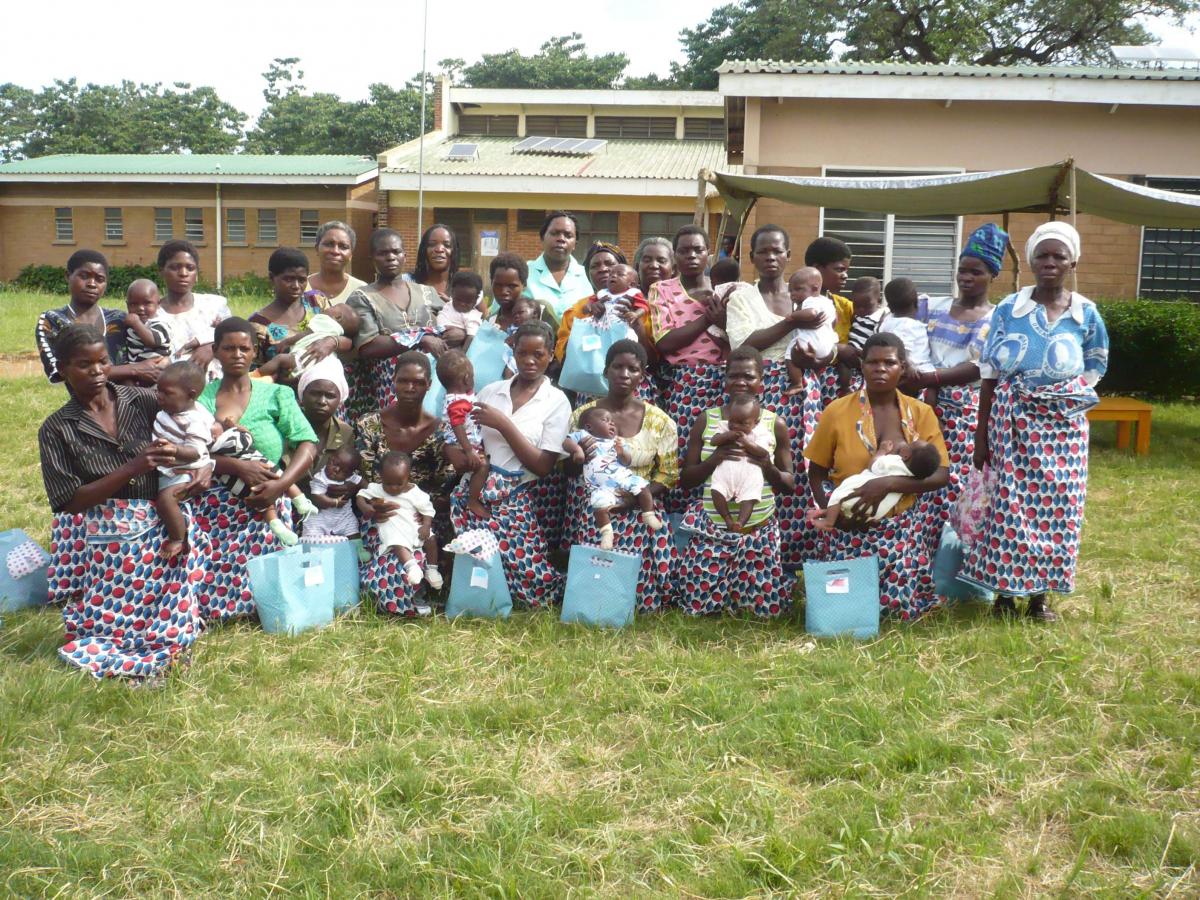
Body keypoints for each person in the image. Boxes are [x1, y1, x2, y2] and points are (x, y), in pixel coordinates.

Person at [39, 324, 211, 683]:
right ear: (63, 369)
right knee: (111, 628)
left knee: (169, 621)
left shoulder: (142, 399)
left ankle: (168, 641)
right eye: (85, 364)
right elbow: (68, 500)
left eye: (103, 361)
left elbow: (194, 424)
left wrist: (205, 465)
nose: (98, 371)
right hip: (109, 538)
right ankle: (131, 652)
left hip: (162, 524)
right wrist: (130, 468)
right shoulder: (58, 428)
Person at [959, 222, 1109, 622]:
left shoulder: (1086, 313)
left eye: (1058, 256)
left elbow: (1095, 366)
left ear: (1072, 261)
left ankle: (1040, 599)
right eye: (1042, 255)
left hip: (1064, 429)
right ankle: (1007, 598)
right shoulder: (1011, 308)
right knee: (1010, 509)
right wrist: (981, 432)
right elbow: (989, 371)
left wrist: (1059, 397)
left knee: (1061, 509)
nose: (1050, 262)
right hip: (1012, 423)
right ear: (1031, 261)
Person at [804, 333, 951, 620]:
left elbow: (941, 474)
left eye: (889, 362)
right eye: (873, 362)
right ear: (861, 365)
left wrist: (886, 483)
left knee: (898, 613)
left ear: (903, 367)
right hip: (847, 527)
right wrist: (833, 514)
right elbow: (815, 472)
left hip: (900, 529)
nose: (880, 369)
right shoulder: (837, 411)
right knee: (845, 614)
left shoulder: (920, 413)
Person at [724, 226, 836, 566]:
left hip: (805, 390)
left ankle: (801, 556)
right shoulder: (743, 297)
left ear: (788, 255)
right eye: (763, 252)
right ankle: (764, 553)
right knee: (765, 462)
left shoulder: (809, 295)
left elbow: (829, 339)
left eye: (777, 251)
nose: (770, 257)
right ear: (752, 257)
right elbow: (742, 345)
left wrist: (819, 360)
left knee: (804, 466)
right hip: (763, 390)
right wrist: (791, 321)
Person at [194, 318, 318, 623]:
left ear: (254, 353)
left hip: (270, 495)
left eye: (244, 348)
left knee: (270, 576)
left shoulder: (276, 394)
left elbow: (307, 444)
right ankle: (221, 612)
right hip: (216, 500)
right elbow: (191, 452)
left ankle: (266, 610)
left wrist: (281, 485)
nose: (237, 354)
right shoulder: (200, 398)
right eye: (228, 348)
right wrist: (236, 466)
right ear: (216, 352)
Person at [448, 322, 570, 609]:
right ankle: (479, 598)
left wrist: (504, 425)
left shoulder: (556, 401)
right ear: (512, 353)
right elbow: (459, 432)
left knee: (531, 580)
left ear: (551, 355)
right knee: (480, 560)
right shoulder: (491, 391)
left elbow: (542, 466)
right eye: (522, 352)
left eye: (538, 354)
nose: (529, 360)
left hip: (514, 496)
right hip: (476, 488)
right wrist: (460, 454)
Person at [901, 223, 1006, 536]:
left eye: (976, 272)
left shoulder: (998, 318)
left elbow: (980, 367)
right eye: (962, 270)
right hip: (918, 405)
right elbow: (902, 337)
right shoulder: (931, 307)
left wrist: (929, 377)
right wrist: (914, 373)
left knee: (956, 480)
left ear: (992, 275)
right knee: (916, 475)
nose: (966, 278)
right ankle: (915, 560)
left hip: (964, 413)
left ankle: (950, 562)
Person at [676, 347, 795, 618]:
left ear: (761, 383)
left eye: (749, 376)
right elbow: (685, 481)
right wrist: (714, 460)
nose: (741, 381)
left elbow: (789, 486)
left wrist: (767, 465)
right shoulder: (708, 420)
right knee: (697, 608)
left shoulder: (775, 424)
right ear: (725, 381)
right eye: (734, 375)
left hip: (758, 529)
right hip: (712, 529)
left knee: (764, 612)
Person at [562, 340, 679, 611]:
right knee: (594, 589)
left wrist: (633, 500)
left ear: (642, 375)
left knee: (640, 599)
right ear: (606, 371)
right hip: (598, 505)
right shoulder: (583, 415)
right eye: (617, 367)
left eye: (633, 369)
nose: (624, 374)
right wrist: (579, 457)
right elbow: (567, 471)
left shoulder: (660, 421)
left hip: (640, 503)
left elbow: (669, 475)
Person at [356, 351, 456, 614]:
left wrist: (421, 514)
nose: (410, 388)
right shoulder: (369, 424)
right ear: (393, 381)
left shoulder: (439, 430)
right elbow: (366, 477)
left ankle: (426, 587)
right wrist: (373, 508)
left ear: (429, 384)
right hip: (381, 511)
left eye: (419, 382)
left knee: (429, 545)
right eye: (404, 381)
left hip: (424, 514)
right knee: (391, 566)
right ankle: (401, 596)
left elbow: (444, 480)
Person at [649, 225, 729, 512]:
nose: (692, 255)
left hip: (723, 383)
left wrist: (724, 321)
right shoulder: (661, 290)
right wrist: (708, 320)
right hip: (684, 383)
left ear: (708, 253)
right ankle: (678, 527)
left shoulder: (724, 291)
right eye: (684, 250)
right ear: (675, 255)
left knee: (719, 452)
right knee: (682, 453)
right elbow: (666, 342)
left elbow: (741, 338)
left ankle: (715, 520)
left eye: (698, 249)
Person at [346, 230, 446, 422]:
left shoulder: (426, 292)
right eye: (383, 253)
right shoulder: (363, 297)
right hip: (391, 386)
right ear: (372, 258)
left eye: (396, 251)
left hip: (433, 382)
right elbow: (369, 346)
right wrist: (420, 338)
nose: (390, 257)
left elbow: (448, 328)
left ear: (404, 255)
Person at [37, 250, 162, 386]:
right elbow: (60, 372)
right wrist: (134, 369)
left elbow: (155, 348)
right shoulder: (53, 320)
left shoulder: (121, 319)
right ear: (68, 276)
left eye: (100, 279)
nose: (92, 283)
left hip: (133, 398)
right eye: (84, 276)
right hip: (85, 403)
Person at [555, 242, 658, 403]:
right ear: (588, 274)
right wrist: (590, 324)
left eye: (610, 264)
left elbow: (654, 359)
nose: (603, 269)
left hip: (635, 391)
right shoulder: (578, 310)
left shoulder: (643, 307)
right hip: (590, 389)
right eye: (595, 266)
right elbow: (564, 356)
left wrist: (635, 325)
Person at [563, 406, 664, 549]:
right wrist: (578, 450)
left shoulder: (617, 441)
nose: (611, 424)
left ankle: (648, 514)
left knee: (643, 489)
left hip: (622, 478)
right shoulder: (583, 435)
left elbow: (626, 461)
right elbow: (566, 442)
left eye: (612, 422)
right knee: (600, 508)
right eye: (605, 420)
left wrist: (622, 452)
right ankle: (606, 533)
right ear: (589, 427)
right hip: (601, 486)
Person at [152, 361, 221, 558]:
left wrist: (175, 449)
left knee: (166, 500)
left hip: (185, 471)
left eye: (167, 393)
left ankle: (177, 538)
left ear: (190, 395)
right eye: (159, 391)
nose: (160, 396)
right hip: (169, 468)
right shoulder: (172, 410)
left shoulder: (194, 420)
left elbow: (196, 451)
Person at [807, 439, 942, 530]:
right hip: (875, 513)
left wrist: (882, 451)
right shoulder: (913, 476)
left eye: (909, 445)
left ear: (906, 455)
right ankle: (826, 512)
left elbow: (874, 465)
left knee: (839, 494)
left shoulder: (893, 463)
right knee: (847, 506)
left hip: (858, 498)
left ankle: (828, 521)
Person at [248, 248, 345, 369]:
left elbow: (348, 340)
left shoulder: (316, 302)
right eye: (288, 279)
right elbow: (253, 373)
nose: (296, 286)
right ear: (271, 278)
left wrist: (330, 342)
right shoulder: (258, 325)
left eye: (302, 280)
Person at [356, 451, 438, 588]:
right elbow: (361, 495)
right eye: (388, 484)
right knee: (397, 542)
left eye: (399, 484)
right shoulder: (376, 489)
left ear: (408, 477)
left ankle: (432, 569)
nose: (393, 488)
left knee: (431, 539)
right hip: (393, 527)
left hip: (413, 526)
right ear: (381, 476)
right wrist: (365, 507)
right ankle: (411, 566)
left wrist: (426, 525)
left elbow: (428, 510)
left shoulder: (415, 492)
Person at [155, 240, 232, 374]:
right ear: (161, 271)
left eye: (190, 268)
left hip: (216, 387)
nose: (183, 273)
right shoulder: (153, 315)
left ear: (196, 273)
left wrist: (210, 348)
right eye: (175, 267)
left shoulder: (214, 305)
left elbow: (233, 338)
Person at [706, 392, 775, 533]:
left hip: (749, 476)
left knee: (749, 499)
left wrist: (746, 442)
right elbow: (714, 441)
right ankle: (727, 519)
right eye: (732, 421)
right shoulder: (725, 427)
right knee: (716, 491)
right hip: (725, 474)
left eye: (742, 423)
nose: (736, 426)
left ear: (756, 422)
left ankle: (740, 522)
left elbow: (763, 452)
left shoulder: (761, 432)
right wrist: (727, 436)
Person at [435, 352, 487, 518]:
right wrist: (469, 450)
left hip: (462, 444)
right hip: (461, 446)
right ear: (466, 379)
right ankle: (472, 500)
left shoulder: (459, 396)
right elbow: (457, 425)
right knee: (482, 466)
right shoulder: (458, 401)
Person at [252, 304, 360, 383]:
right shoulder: (337, 331)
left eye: (332, 307)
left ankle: (256, 375)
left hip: (304, 356)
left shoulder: (325, 321)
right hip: (316, 366)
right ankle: (269, 379)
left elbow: (306, 333)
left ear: (338, 317)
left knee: (280, 359)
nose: (328, 308)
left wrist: (287, 341)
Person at [294, 360, 353, 492]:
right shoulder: (287, 426)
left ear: (340, 401)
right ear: (302, 396)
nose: (322, 401)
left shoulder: (346, 433)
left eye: (330, 396)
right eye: (315, 393)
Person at [523, 211, 593, 318]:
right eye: (554, 233)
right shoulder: (523, 273)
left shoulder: (587, 275)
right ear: (542, 238)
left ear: (575, 244)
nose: (561, 239)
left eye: (568, 235)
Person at [784, 266, 836, 393]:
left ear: (815, 289)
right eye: (791, 291)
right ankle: (815, 378)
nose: (793, 294)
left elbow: (811, 314)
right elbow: (835, 321)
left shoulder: (810, 300)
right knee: (816, 366)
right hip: (827, 346)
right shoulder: (828, 302)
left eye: (797, 289)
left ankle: (797, 383)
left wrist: (793, 316)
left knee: (789, 355)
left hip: (809, 343)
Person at [303, 445, 363, 542]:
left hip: (343, 517)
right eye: (334, 464)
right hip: (320, 517)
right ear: (329, 459)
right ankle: (313, 550)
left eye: (344, 471)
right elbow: (318, 497)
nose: (337, 470)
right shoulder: (320, 478)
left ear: (350, 473)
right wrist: (334, 502)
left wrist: (360, 488)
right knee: (312, 530)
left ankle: (359, 549)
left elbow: (364, 483)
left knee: (352, 526)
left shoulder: (351, 477)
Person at [879, 278, 934, 383]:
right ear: (916, 303)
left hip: (894, 367)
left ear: (889, 306)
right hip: (917, 369)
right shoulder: (908, 326)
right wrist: (908, 367)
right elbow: (899, 349)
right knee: (932, 388)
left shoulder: (888, 320)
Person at [487, 252, 557, 331]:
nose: (504, 292)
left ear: (524, 285)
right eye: (498, 285)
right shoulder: (489, 322)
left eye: (512, 286)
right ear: (491, 283)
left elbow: (558, 341)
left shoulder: (540, 310)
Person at [307, 220, 366, 305]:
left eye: (343, 247)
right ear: (317, 249)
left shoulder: (361, 291)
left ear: (351, 254)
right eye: (329, 244)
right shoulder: (299, 288)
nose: (335, 251)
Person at [122, 279, 173, 364]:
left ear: (158, 304)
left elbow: (152, 342)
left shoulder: (161, 324)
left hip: (157, 368)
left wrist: (136, 323)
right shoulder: (131, 323)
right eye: (134, 304)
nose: (140, 308)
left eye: (147, 303)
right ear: (127, 305)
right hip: (134, 367)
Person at [409, 223, 459, 303]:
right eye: (432, 244)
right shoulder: (407, 282)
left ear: (454, 251)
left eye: (447, 245)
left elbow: (484, 315)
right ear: (424, 250)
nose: (439, 249)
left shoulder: (465, 285)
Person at [437, 270, 485, 350]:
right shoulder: (451, 303)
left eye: (468, 302)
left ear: (476, 299)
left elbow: (471, 337)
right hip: (437, 339)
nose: (462, 304)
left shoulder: (472, 316)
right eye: (459, 300)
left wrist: (462, 355)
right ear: (452, 293)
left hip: (453, 348)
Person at [500, 297, 541, 378]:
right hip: (507, 356)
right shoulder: (512, 328)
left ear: (535, 314)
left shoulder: (538, 327)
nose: (516, 316)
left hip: (523, 357)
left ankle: (508, 387)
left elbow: (510, 340)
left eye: (521, 312)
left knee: (509, 371)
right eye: (514, 315)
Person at [846, 276, 887, 353]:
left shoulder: (881, 318)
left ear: (879, 300)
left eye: (867, 306)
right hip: (849, 352)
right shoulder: (856, 315)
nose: (861, 309)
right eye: (856, 305)